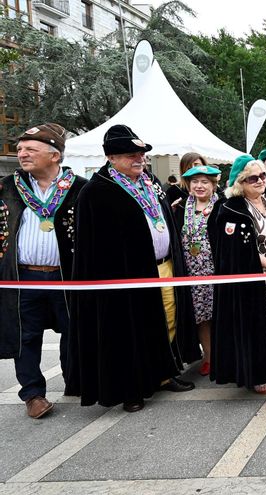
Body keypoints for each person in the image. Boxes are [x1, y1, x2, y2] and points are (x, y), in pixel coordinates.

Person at [69, 124, 199, 413]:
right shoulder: (96, 191)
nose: (139, 159)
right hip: (125, 277)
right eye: (131, 154)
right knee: (129, 331)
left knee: (166, 322)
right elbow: (90, 247)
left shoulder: (149, 182)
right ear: (111, 157)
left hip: (163, 267)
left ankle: (164, 373)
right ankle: (132, 387)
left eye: (141, 153)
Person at [0, 123, 86, 419]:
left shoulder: (80, 188)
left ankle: (76, 381)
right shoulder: (8, 187)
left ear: (54, 156)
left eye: (30, 150)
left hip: (67, 276)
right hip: (22, 276)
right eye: (21, 149)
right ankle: (33, 395)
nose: (22, 154)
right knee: (25, 336)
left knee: (74, 329)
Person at [210, 155, 266, 395]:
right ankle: (259, 369)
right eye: (253, 178)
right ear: (240, 182)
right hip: (255, 277)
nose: (260, 181)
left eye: (263, 176)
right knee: (258, 322)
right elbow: (230, 248)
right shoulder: (229, 208)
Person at [173, 164, 222, 377]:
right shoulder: (182, 207)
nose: (199, 186)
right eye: (195, 182)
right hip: (192, 272)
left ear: (213, 184)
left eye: (205, 182)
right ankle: (209, 357)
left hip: (216, 270)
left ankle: (224, 355)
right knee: (201, 317)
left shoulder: (222, 206)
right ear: (188, 185)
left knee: (219, 314)